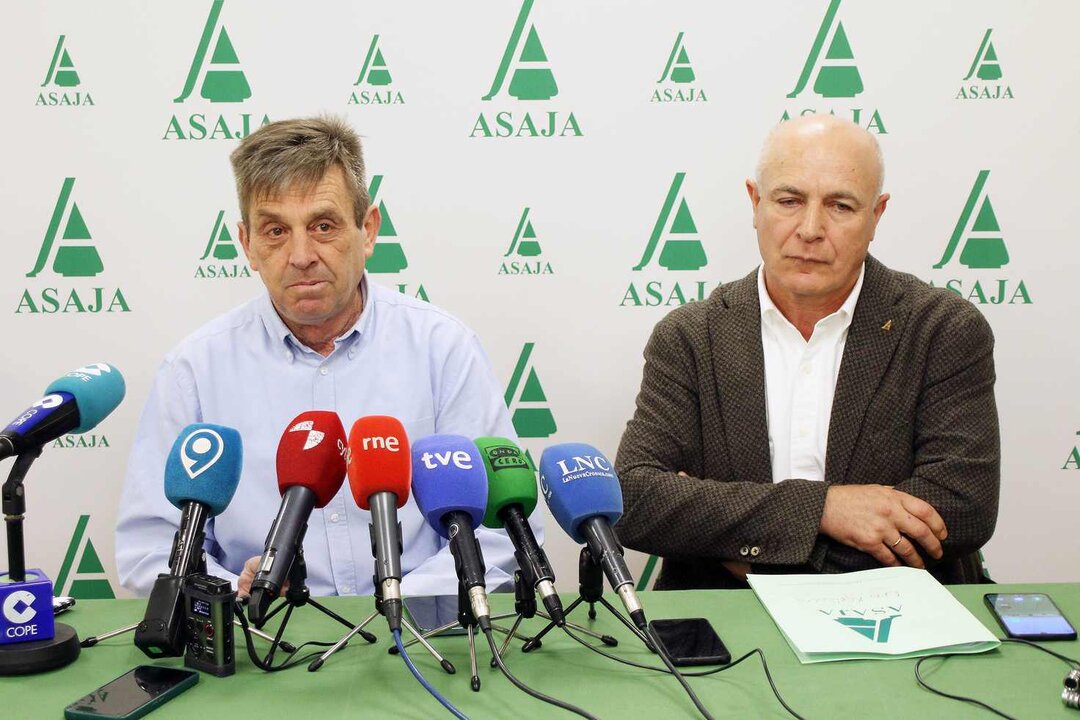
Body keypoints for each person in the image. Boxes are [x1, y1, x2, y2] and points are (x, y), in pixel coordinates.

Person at [116, 116, 531, 598]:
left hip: (424, 649)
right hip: (265, 649)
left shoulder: (443, 348)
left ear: (368, 229)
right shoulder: (193, 371)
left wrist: (392, 612)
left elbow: (503, 534)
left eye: (323, 225)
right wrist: (236, 592)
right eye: (274, 230)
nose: (300, 254)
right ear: (247, 243)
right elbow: (150, 550)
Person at [615, 115, 999, 590]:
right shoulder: (689, 336)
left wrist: (763, 559)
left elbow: (960, 507)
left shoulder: (942, 329)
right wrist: (826, 508)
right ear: (756, 203)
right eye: (789, 200)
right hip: (728, 625)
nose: (810, 229)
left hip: (903, 625)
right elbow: (637, 497)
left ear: (876, 217)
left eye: (840, 205)